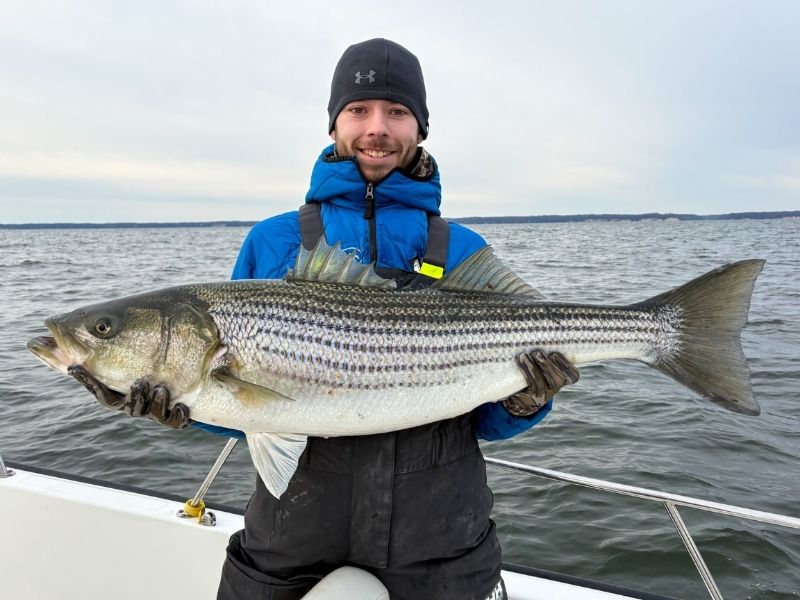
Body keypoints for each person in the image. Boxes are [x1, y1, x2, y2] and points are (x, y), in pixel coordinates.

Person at [70, 38, 579, 600]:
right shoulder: (274, 240)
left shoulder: (460, 248)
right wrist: (186, 407)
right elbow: (250, 412)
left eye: (397, 111)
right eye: (358, 110)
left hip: (440, 545)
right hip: (291, 540)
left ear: (420, 127)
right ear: (335, 122)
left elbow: (484, 422)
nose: (377, 127)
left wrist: (525, 401)